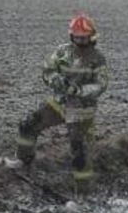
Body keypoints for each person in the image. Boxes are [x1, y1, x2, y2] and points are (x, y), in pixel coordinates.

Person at [12, 13, 109, 191]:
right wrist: (55, 79)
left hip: (81, 109)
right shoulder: (62, 51)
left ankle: (83, 193)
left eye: (83, 37)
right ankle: (23, 160)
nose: (79, 40)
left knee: (79, 150)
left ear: (92, 37)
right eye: (77, 36)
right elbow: (48, 69)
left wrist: (79, 91)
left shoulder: (97, 58)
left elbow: (101, 85)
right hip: (59, 102)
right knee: (28, 125)